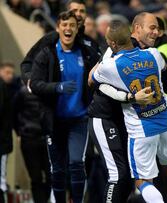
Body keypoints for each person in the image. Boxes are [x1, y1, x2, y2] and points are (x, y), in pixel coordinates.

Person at [91, 20, 167, 203]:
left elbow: (94, 80)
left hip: (142, 128)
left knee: (142, 181)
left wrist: (128, 96)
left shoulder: (111, 66)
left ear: (112, 44)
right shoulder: (154, 54)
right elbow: (164, 71)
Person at [30, 11, 100, 203]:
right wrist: (57, 87)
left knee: (77, 163)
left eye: (72, 25)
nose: (68, 28)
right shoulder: (47, 53)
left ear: (77, 29)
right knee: (58, 169)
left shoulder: (86, 54)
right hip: (55, 121)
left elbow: (101, 77)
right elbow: (34, 84)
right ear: (58, 28)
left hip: (80, 119)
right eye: (64, 25)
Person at [21, 0, 100, 84]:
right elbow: (28, 63)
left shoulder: (91, 44)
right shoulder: (51, 38)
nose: (78, 14)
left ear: (86, 15)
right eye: (74, 11)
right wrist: (31, 81)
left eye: (82, 11)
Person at [13, 84, 51, 203]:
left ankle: (42, 200)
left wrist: (19, 131)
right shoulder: (45, 90)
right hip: (37, 137)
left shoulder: (22, 92)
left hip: (31, 137)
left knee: (38, 177)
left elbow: (13, 113)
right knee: (44, 176)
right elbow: (14, 113)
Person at [0, 63, 13, 203]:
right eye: (7, 72)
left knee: (2, 179)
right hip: (3, 142)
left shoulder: (5, 88)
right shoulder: (4, 88)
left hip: (2, 142)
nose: (10, 76)